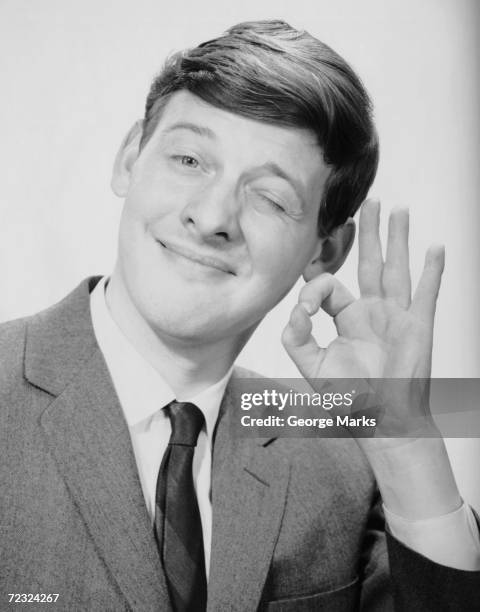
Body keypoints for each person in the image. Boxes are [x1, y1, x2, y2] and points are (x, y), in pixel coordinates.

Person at [1, 19, 479, 611]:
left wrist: (404, 447)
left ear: (325, 250)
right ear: (130, 157)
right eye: (188, 159)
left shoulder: (338, 455)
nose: (212, 216)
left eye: (271, 198)